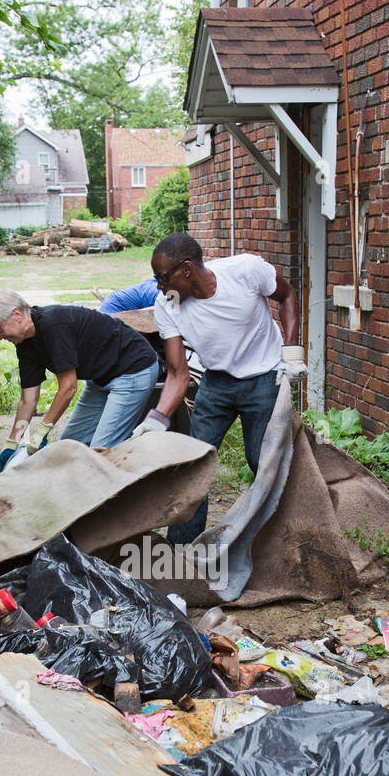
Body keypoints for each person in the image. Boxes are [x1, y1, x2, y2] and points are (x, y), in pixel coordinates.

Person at [132, 233, 304, 544]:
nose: (159, 286)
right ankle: (181, 554)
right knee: (192, 468)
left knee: (263, 463)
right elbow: (177, 373)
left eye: (161, 277)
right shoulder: (166, 306)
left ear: (186, 269)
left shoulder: (246, 271)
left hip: (264, 378)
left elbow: (287, 294)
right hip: (216, 383)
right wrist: (155, 421)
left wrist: (291, 352)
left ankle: (283, 543)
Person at [0, 289, 160, 471]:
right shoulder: (25, 342)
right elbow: (28, 400)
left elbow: (68, 387)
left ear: (16, 314)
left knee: (101, 451)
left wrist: (41, 433)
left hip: (133, 370)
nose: (0, 338)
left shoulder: (54, 326)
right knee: (69, 446)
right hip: (100, 377)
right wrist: (13, 441)